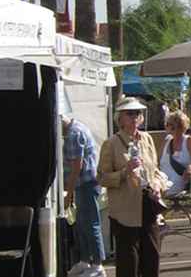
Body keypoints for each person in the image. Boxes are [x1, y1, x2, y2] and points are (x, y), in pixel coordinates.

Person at [98, 97, 165, 277]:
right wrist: (124, 172)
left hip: (148, 203)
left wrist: (157, 185)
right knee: (129, 261)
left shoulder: (147, 139)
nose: (135, 117)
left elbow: (155, 170)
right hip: (124, 209)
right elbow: (102, 178)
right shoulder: (111, 144)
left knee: (152, 255)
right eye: (130, 113)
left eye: (137, 113)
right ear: (120, 118)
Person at [62, 115, 106, 277]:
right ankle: (86, 260)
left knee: (91, 224)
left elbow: (76, 167)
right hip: (84, 184)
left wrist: (69, 193)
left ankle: (98, 264)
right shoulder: (77, 127)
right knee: (82, 224)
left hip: (86, 184)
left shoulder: (74, 134)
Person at [159, 111, 191, 195]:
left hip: (178, 182)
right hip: (162, 179)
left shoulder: (189, 141)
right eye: (167, 124)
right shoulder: (167, 140)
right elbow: (157, 161)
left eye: (170, 125)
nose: (167, 127)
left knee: (155, 191)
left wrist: (190, 167)